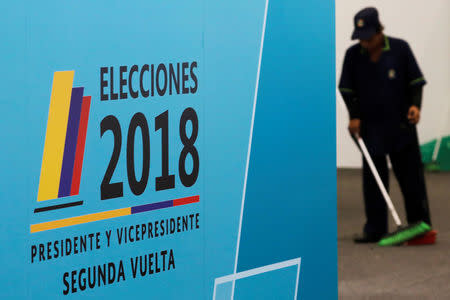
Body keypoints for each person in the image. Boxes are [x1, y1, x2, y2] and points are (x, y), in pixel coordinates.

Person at [339, 7, 432, 243]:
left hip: (401, 125)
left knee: (411, 177)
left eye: (369, 38)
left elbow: (416, 82)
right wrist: (353, 116)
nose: (366, 43)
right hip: (369, 128)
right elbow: (347, 89)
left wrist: (416, 106)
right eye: (361, 39)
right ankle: (375, 229)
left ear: (380, 31)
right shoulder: (353, 55)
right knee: (373, 182)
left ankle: (420, 226)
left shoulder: (400, 49)